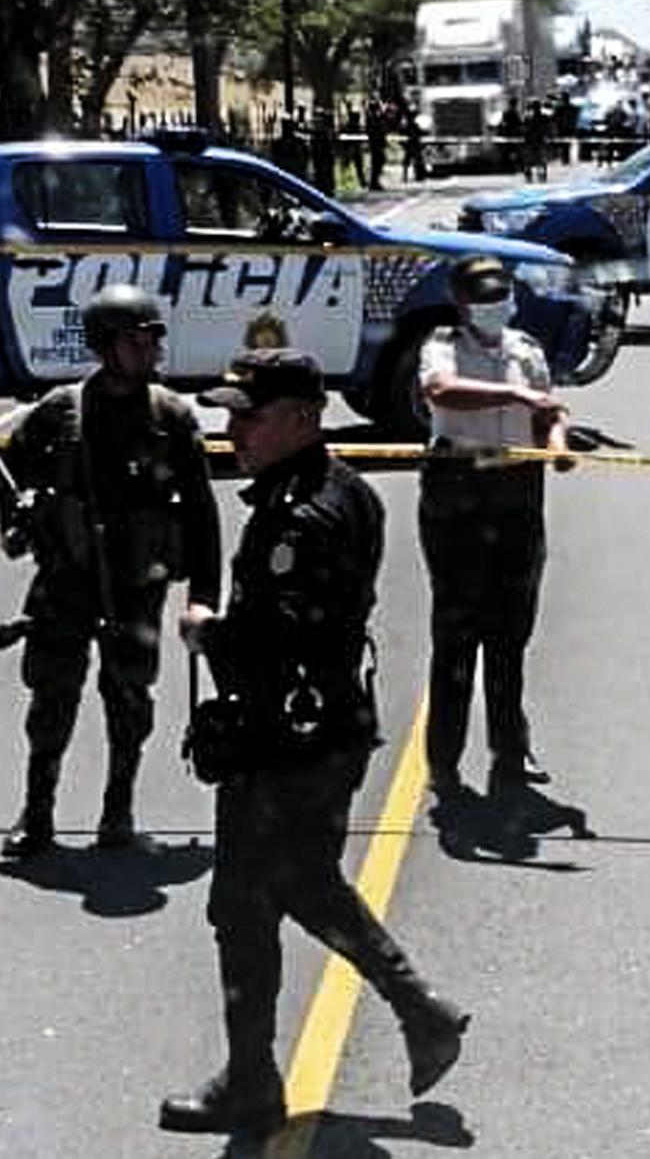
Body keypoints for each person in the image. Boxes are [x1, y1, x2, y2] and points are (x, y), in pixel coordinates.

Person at [162, 349, 467, 1136]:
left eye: (249, 416)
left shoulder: (297, 515)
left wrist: (207, 633)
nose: (233, 430)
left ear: (302, 418)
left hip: (287, 735)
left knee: (260, 895)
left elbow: (274, 640)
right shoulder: (348, 489)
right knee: (279, 889)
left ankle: (275, 1074)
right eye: (229, 414)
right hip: (324, 724)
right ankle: (281, 1064)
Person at [0, 285, 222, 857]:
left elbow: (201, 509)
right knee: (51, 700)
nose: (150, 351)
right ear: (105, 346)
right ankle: (37, 813)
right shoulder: (61, 410)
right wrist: (14, 528)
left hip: (136, 587)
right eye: (137, 341)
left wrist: (203, 595)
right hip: (65, 582)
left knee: (128, 706)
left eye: (153, 340)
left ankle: (117, 814)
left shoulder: (171, 415)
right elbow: (4, 463)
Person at [418, 257, 574, 793]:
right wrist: (516, 396)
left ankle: (511, 747)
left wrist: (557, 444)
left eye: (502, 297)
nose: (496, 307)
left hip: (517, 493)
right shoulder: (442, 345)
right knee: (457, 634)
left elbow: (550, 409)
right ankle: (443, 759)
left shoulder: (524, 349)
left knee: (510, 634)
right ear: (461, 304)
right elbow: (440, 391)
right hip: (458, 492)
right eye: (484, 300)